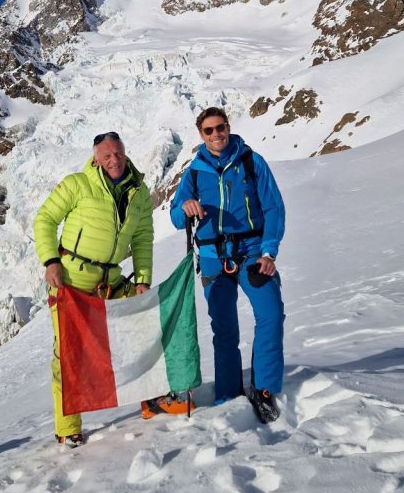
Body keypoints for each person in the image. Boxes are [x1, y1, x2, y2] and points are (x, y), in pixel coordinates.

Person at [34, 132, 190, 447]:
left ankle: (154, 398)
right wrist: (50, 262)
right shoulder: (78, 184)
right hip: (72, 279)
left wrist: (143, 277)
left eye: (117, 153)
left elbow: (143, 236)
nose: (114, 160)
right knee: (68, 353)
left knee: (145, 327)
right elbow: (45, 220)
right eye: (106, 155)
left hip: (111, 280)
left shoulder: (138, 190)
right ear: (96, 158)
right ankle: (68, 428)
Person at [170, 108, 286, 422]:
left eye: (220, 128)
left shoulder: (251, 161)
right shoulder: (194, 172)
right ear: (201, 134)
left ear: (228, 127)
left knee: (271, 315)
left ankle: (264, 388)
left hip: (252, 253)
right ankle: (227, 394)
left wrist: (268, 252)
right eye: (208, 131)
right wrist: (185, 206)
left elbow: (273, 208)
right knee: (224, 330)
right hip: (211, 257)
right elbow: (175, 217)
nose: (216, 134)